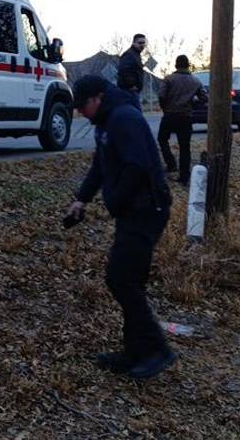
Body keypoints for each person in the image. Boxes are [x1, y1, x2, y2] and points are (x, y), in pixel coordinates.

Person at [64, 75, 176, 380]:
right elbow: (101, 165)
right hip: (133, 211)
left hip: (147, 210)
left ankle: (158, 350)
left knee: (121, 279)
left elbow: (137, 166)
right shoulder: (106, 122)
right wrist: (82, 199)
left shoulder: (124, 118)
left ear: (98, 97)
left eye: (82, 106)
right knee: (129, 280)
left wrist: (113, 200)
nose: (80, 113)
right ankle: (135, 352)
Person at [157, 55, 205, 185]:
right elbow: (203, 98)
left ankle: (171, 163)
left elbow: (161, 96)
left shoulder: (168, 79)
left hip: (169, 115)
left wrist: (165, 108)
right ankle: (184, 176)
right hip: (185, 116)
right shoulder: (195, 81)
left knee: (162, 139)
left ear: (176, 65)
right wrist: (193, 105)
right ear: (188, 65)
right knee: (185, 147)